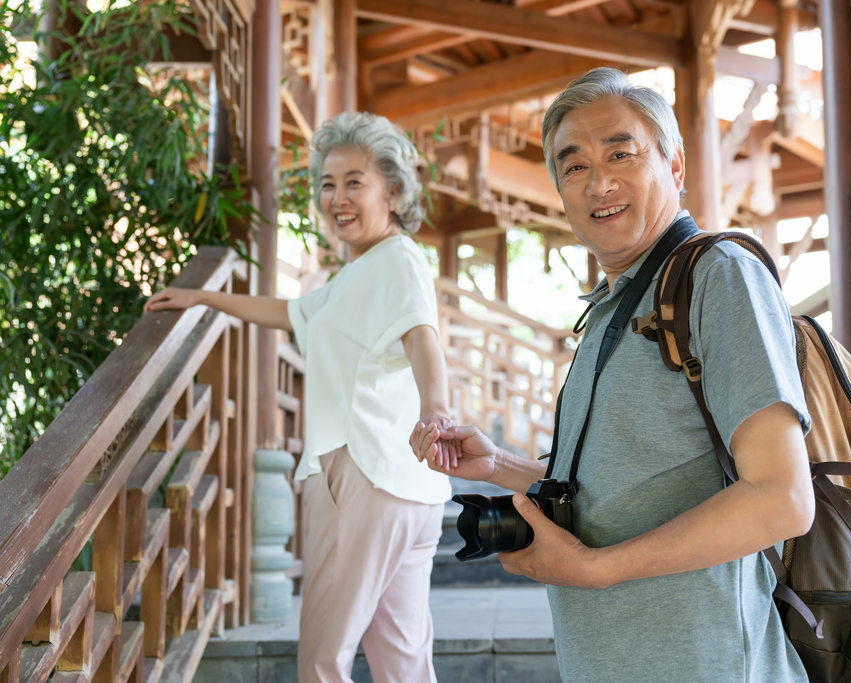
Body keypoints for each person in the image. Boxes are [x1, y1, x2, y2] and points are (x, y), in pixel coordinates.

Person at [411, 68, 815, 683]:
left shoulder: (718, 275)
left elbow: (782, 499)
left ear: (675, 167)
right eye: (573, 167)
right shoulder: (606, 308)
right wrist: (498, 466)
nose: (598, 182)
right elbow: (611, 489)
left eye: (621, 154)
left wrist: (595, 569)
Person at [146, 112, 456, 683]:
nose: (336, 197)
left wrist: (436, 408)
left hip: (359, 473)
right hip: (406, 489)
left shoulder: (396, 260)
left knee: (322, 659)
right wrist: (200, 298)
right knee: (402, 664)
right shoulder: (351, 277)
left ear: (392, 189)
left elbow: (423, 339)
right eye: (327, 183)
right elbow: (288, 313)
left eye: (354, 182)